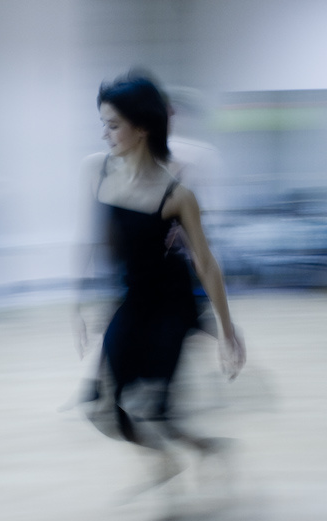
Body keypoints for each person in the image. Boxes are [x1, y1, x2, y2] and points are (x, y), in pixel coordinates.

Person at [74, 72, 246, 483]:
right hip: (131, 300)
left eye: (113, 125)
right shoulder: (97, 171)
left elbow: (206, 263)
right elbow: (93, 240)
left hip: (171, 304)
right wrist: (79, 303)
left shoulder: (178, 193)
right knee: (100, 407)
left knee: (155, 408)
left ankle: (199, 450)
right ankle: (173, 456)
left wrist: (226, 329)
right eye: (103, 124)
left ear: (142, 127)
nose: (104, 134)